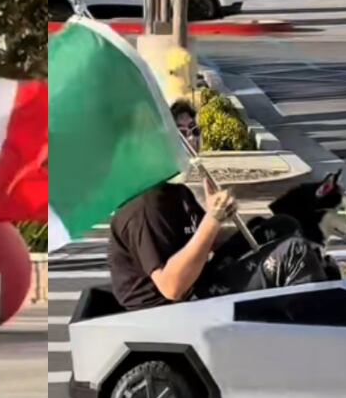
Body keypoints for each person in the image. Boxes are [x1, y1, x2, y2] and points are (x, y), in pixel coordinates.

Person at [107, 99, 328, 311]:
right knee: (292, 252)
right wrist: (213, 219)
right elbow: (171, 288)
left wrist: (247, 230)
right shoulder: (145, 206)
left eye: (194, 131)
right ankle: (313, 332)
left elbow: (208, 241)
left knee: (281, 226)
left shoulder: (178, 193)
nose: (191, 140)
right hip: (172, 308)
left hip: (198, 281)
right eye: (180, 134)